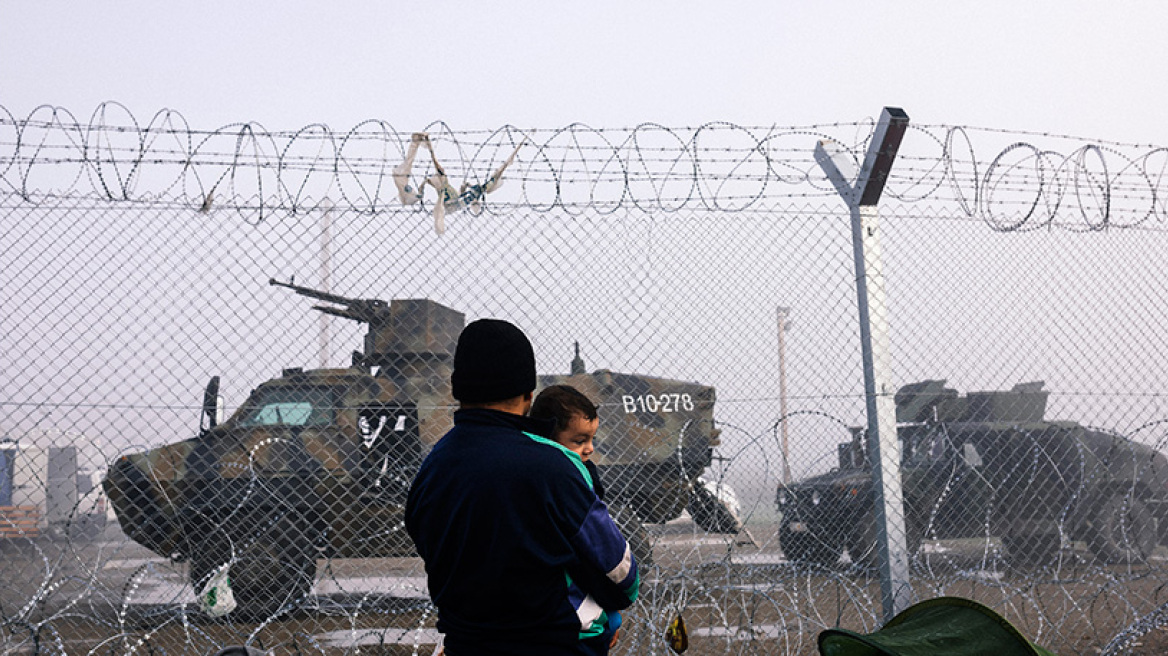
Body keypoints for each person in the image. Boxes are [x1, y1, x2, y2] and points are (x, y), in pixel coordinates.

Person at [405, 319, 640, 656]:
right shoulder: (556, 467)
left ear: (458, 391)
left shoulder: (432, 469)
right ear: (528, 394)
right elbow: (618, 573)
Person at [529, 384, 624, 652]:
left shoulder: (585, 474)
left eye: (591, 440)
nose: (589, 449)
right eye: (579, 441)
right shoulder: (561, 478)